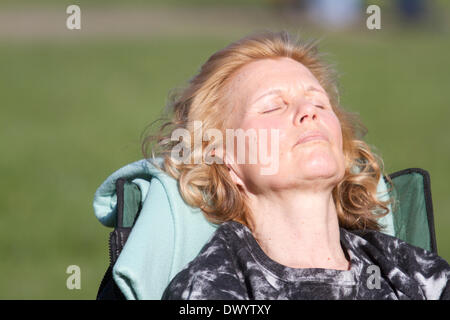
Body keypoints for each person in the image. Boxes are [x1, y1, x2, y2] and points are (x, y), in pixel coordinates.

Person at [143, 30, 449, 300]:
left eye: (319, 103)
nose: (309, 112)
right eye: (273, 106)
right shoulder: (216, 287)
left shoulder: (414, 273)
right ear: (226, 158)